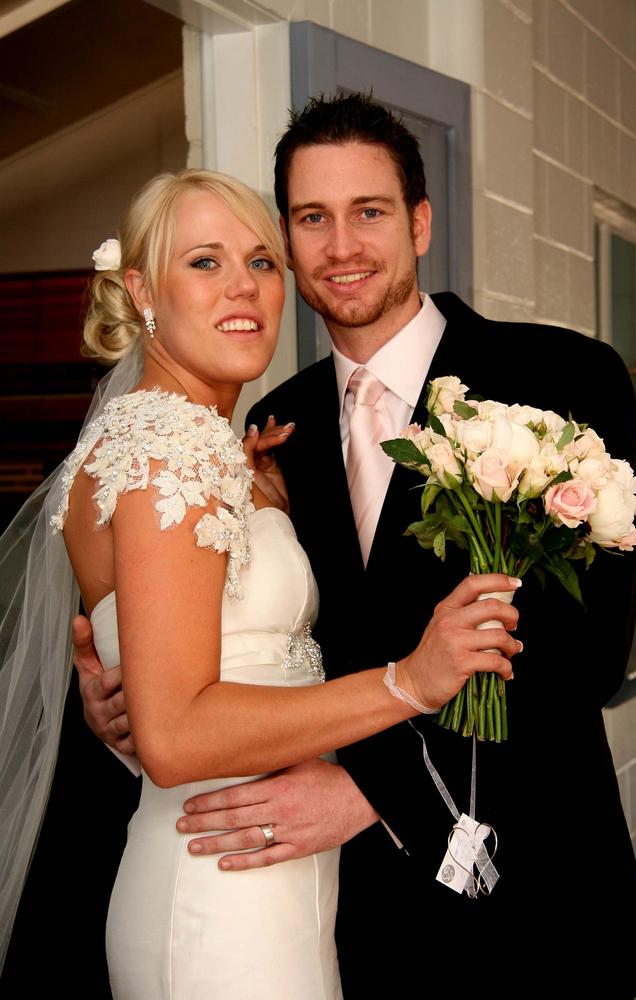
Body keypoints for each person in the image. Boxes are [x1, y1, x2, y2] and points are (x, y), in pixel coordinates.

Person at [78, 97, 636, 997]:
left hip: (536, 907)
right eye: (311, 219)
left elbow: (586, 658)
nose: (341, 246)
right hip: (351, 925)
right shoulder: (267, 432)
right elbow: (221, 654)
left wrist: (373, 792)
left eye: (368, 212)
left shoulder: (566, 376)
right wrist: (120, 696)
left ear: (419, 223)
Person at [0, 166, 522, 999]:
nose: (243, 287)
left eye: (262, 261)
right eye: (204, 262)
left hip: (271, 885)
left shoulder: (215, 444)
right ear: (140, 288)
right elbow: (171, 737)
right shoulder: (168, 450)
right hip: (218, 899)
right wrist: (408, 684)